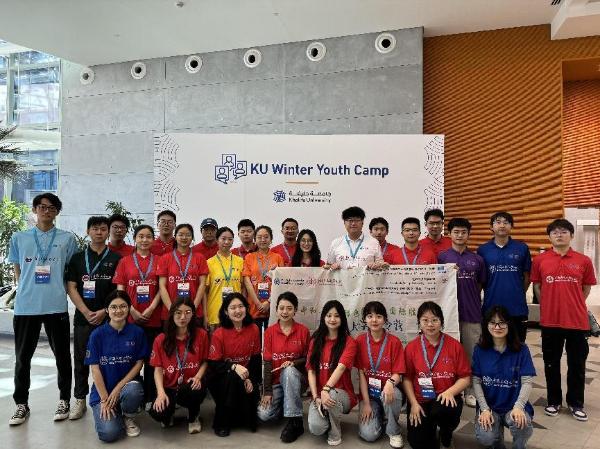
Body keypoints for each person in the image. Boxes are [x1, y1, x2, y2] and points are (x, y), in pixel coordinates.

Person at [8, 193, 78, 425]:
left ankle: (64, 400)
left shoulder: (67, 239)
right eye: (42, 207)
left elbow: (70, 271)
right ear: (35, 209)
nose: (46, 211)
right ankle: (21, 404)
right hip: (26, 306)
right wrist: (25, 289)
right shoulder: (19, 237)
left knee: (63, 357)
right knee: (22, 358)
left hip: (55, 305)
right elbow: (17, 270)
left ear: (57, 212)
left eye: (51, 208)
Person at [531, 218, 596, 421]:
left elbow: (586, 288)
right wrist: (549, 304)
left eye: (563, 231)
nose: (559, 235)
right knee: (551, 363)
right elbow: (537, 286)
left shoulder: (583, 260)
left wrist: (574, 303)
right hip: (550, 321)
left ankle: (576, 403)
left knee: (577, 364)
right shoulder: (540, 260)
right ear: (550, 236)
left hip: (577, 321)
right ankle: (553, 401)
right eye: (555, 232)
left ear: (571, 235)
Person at [66, 216, 121, 420]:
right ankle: (80, 399)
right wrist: (86, 312)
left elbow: (118, 290)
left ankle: (110, 398)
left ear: (108, 232)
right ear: (88, 231)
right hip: (84, 319)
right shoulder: (77, 258)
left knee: (109, 360)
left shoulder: (115, 258)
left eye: (103, 229)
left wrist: (105, 311)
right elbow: (71, 287)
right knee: (81, 360)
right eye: (95, 228)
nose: (99, 232)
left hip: (109, 319)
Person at [402, 301, 471, 449]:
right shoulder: (411, 347)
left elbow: (465, 378)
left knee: (443, 409)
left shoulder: (454, 346)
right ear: (419, 323)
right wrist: (413, 403)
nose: (430, 324)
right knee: (418, 443)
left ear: (441, 322)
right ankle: (430, 427)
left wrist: (450, 392)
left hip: (445, 398)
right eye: (425, 320)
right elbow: (407, 379)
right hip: (421, 399)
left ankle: (446, 433)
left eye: (434, 320)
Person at [85, 290, 148, 442]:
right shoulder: (97, 335)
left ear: (129, 308)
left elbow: (139, 363)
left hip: (127, 387)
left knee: (134, 390)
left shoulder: (137, 332)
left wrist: (119, 388)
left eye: (123, 306)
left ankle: (128, 416)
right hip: (103, 392)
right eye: (113, 307)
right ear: (107, 310)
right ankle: (114, 412)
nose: (118, 311)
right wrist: (104, 399)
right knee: (109, 434)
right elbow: (95, 369)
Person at [438, 217, 486, 407]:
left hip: (471, 314)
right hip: (447, 315)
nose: (459, 235)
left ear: (468, 234)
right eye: (456, 232)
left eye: (463, 232)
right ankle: (450, 388)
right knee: (448, 354)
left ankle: (471, 391)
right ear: (449, 234)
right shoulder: (442, 257)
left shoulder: (477, 259)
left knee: (471, 354)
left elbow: (480, 285)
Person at [473, 306, 535, 449]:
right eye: (492, 322)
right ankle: (497, 444)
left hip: (513, 407)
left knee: (523, 425)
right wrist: (484, 409)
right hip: (490, 407)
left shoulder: (522, 350)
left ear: (509, 324)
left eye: (502, 322)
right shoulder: (479, 350)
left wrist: (519, 407)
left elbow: (527, 382)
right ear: (486, 325)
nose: (497, 327)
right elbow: (476, 381)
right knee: (486, 436)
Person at [113, 224, 162, 405]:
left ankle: (150, 397)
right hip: (130, 318)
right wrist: (131, 309)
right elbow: (120, 290)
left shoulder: (159, 260)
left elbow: (162, 288)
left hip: (153, 317)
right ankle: (131, 396)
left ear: (153, 239)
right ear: (134, 239)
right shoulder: (125, 261)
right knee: (131, 359)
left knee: (151, 360)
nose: (144, 240)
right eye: (141, 236)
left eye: (148, 236)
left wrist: (151, 309)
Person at [149, 298, 209, 434]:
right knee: (158, 413)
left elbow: (205, 361)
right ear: (171, 314)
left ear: (193, 314)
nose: (183, 317)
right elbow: (157, 368)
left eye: (188, 312)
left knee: (195, 389)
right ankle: (169, 412)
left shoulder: (201, 335)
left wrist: (198, 377)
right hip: (170, 386)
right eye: (178, 313)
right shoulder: (161, 339)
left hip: (190, 384)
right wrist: (160, 393)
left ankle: (194, 416)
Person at [258, 292, 311, 443]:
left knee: (288, 372)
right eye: (281, 308)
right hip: (276, 382)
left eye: (289, 308)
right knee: (264, 415)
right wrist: (267, 391)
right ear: (276, 310)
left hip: (297, 380)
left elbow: (308, 359)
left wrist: (294, 363)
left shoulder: (303, 331)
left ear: (295, 310)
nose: (285, 312)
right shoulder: (269, 332)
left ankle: (295, 422)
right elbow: (267, 362)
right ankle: (286, 405)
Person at [208, 293, 261, 436]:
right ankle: (222, 422)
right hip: (223, 378)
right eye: (233, 308)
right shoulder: (219, 333)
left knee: (252, 419)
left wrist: (250, 379)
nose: (237, 311)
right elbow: (214, 364)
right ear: (226, 311)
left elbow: (256, 359)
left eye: (241, 306)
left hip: (245, 376)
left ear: (246, 308)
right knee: (231, 377)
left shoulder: (254, 329)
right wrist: (234, 366)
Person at [307, 300, 358, 446]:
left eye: (336, 316)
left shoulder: (349, 342)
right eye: (329, 315)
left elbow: (340, 368)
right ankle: (328, 417)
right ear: (323, 317)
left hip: (342, 395)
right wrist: (316, 396)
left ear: (342, 319)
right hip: (320, 395)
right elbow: (311, 370)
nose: (332, 319)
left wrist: (325, 390)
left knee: (332, 395)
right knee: (316, 428)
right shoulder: (316, 341)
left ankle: (335, 433)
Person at [356, 301, 405, 448]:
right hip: (370, 395)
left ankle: (394, 431)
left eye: (378, 316)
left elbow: (398, 373)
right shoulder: (359, 341)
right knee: (368, 435)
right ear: (364, 319)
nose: (374, 320)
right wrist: (366, 403)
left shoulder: (394, 342)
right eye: (370, 316)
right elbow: (361, 375)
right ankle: (382, 417)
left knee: (392, 394)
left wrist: (390, 383)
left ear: (385, 319)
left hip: (389, 392)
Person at [477, 212, 532, 343]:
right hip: (491, 307)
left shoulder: (522, 248)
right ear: (491, 227)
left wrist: (517, 292)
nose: (502, 225)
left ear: (511, 226)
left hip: (516, 307)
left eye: (506, 222)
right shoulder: (483, 250)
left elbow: (527, 276)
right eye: (498, 222)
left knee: (517, 345)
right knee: (492, 346)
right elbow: (481, 279)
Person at [157, 223, 209, 322]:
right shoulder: (165, 258)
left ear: (192, 237)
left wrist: (192, 308)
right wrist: (172, 309)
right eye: (181, 234)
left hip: (195, 312)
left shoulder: (200, 258)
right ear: (175, 237)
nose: (184, 238)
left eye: (188, 235)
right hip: (170, 312)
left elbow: (202, 284)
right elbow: (162, 286)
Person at [242, 225, 285, 334]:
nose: (263, 240)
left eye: (266, 237)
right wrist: (258, 303)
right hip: (254, 306)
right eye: (259, 237)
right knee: (254, 338)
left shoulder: (278, 257)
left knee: (272, 337)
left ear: (271, 239)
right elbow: (247, 281)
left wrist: (269, 302)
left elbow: (281, 283)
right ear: (255, 239)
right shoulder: (249, 257)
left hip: (273, 305)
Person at [205, 227, 244, 331]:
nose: (227, 242)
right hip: (215, 313)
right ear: (217, 240)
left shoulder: (240, 261)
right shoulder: (209, 263)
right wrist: (205, 315)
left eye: (230, 239)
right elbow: (205, 292)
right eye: (223, 239)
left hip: (236, 312)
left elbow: (244, 287)